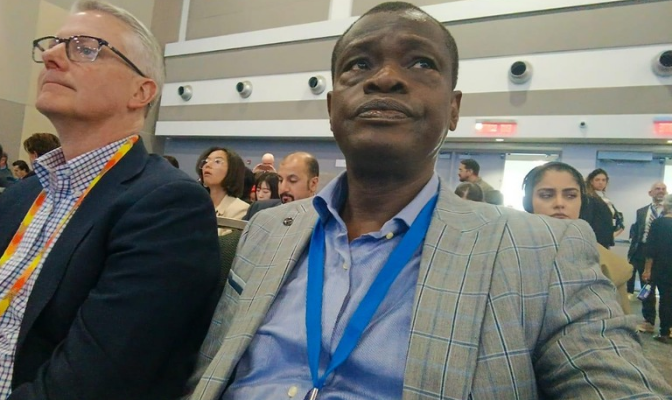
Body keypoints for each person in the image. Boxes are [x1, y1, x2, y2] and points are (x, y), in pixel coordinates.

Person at [189, 2, 671, 399]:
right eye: (359, 64)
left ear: (454, 109)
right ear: (332, 108)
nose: (384, 78)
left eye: (420, 63)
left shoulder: (543, 251)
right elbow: (207, 369)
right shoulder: (269, 229)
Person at [0, 2, 221, 399]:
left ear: (141, 92)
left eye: (85, 48)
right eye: (52, 45)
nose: (52, 57)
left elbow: (95, 380)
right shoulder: (23, 194)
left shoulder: (167, 205)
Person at [522, 161, 632, 314]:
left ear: (582, 203)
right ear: (528, 203)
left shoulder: (607, 264)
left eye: (571, 196)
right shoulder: (507, 251)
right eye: (546, 195)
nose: (559, 203)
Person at [628, 181, 668, 333]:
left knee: (666, 290)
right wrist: (632, 254)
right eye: (657, 189)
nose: (660, 191)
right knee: (647, 288)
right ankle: (648, 321)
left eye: (663, 189)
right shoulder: (641, 211)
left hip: (664, 254)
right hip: (642, 252)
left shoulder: (669, 212)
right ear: (650, 193)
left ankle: (667, 325)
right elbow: (637, 233)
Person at [242, 151, 319, 220]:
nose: (283, 188)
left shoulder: (321, 219)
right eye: (280, 180)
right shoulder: (258, 209)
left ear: (313, 184)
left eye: (292, 181)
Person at [642, 194, 672, 343]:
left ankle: (664, 332)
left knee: (665, 299)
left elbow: (651, 249)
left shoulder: (658, 223)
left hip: (662, 266)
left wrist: (647, 270)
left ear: (666, 206)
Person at [196, 147, 250, 224]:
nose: (207, 165)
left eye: (217, 161)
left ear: (232, 169)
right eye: (206, 161)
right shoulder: (197, 205)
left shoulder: (240, 209)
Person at [586, 168, 624, 237]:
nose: (601, 182)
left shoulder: (606, 198)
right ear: (591, 181)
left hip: (607, 235)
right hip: (595, 236)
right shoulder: (589, 198)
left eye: (603, 180)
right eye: (597, 180)